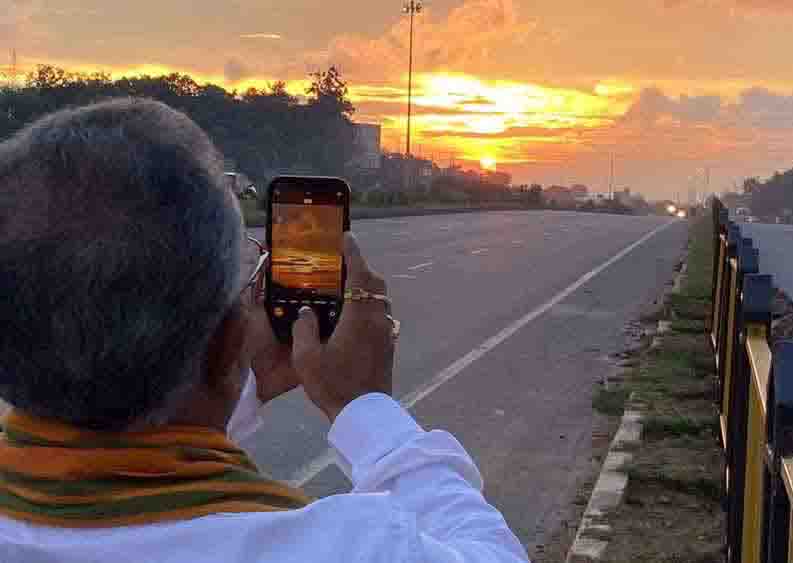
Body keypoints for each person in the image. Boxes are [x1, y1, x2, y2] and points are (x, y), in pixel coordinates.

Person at [0, 99, 529, 563]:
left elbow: (117, 464)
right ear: (231, 337)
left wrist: (237, 386)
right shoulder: (337, 548)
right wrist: (365, 407)